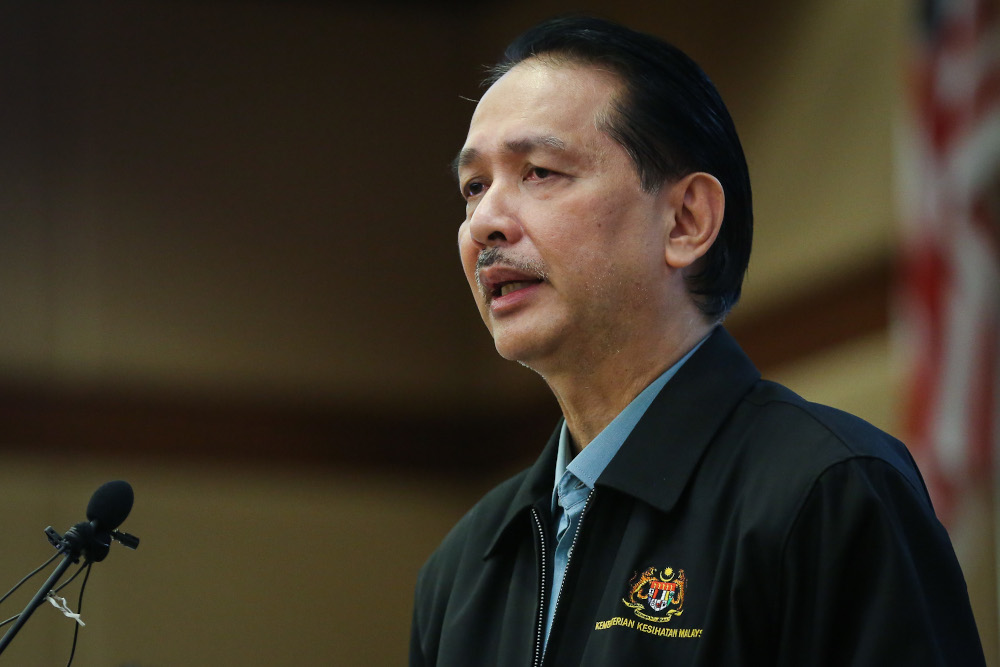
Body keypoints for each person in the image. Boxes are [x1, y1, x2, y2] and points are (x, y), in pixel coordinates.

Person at [410, 15, 986, 666]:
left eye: (539, 171)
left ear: (685, 220)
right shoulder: (462, 567)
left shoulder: (830, 490)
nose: (484, 221)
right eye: (474, 186)